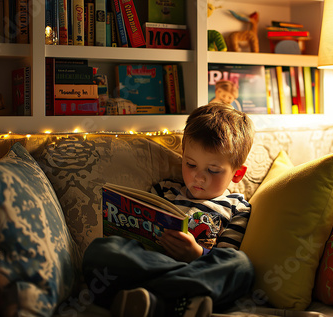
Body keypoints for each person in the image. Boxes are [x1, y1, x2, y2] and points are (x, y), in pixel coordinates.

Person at [82, 103, 256, 317]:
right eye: (190, 164)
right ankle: (176, 304)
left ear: (238, 174)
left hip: (200, 272)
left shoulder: (237, 207)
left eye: (212, 170)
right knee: (101, 250)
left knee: (241, 266)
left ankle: (149, 300)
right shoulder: (164, 190)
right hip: (153, 264)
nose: (198, 177)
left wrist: (197, 254)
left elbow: (226, 255)